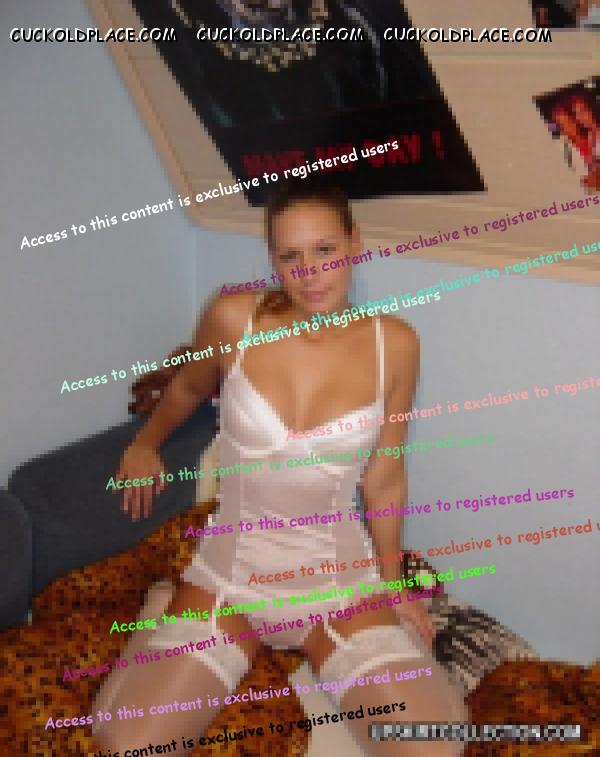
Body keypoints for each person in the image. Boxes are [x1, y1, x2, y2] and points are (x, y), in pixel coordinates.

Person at [93, 180, 466, 756]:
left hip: (337, 582)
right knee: (129, 745)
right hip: (231, 578)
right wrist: (146, 443)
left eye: (325, 251)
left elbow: (385, 475)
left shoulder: (394, 344)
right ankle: (164, 605)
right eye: (290, 257)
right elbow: (188, 385)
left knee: (436, 745)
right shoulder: (232, 319)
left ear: (355, 243)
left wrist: (393, 583)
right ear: (272, 259)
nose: (309, 274)